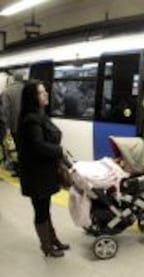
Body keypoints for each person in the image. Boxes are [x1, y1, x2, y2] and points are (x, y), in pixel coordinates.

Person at [17, 80, 69, 258]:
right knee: (41, 210)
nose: (45, 94)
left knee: (45, 208)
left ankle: (53, 240)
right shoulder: (31, 120)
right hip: (36, 176)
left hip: (42, 172)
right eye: (41, 92)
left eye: (45, 91)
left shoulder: (39, 115)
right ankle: (47, 247)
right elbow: (39, 146)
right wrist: (60, 150)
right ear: (33, 97)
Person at [2, 73, 25, 175]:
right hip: (27, 125)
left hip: (14, 126)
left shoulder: (7, 92)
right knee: (26, 148)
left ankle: (18, 170)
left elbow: (5, 111)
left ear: (13, 79)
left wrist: (6, 128)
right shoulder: (27, 89)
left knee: (16, 149)